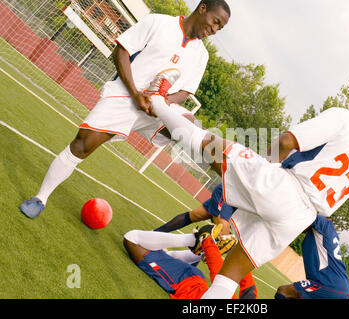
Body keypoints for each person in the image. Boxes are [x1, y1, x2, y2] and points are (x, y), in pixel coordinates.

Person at [145, 70, 349, 298]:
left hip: (286, 190)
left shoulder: (345, 118)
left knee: (209, 143)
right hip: (300, 218)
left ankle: (156, 100)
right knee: (229, 275)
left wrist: (265, 166)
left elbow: (287, 141)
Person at [19, 0, 231, 218]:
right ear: (202, 8)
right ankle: (40, 198)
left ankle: (231, 181)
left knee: (192, 127)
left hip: (158, 109)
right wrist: (136, 93)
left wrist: (163, 103)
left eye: (220, 28)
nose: (214, 30)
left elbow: (185, 92)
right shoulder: (158, 22)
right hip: (125, 96)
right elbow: (121, 51)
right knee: (82, 144)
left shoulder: (201, 55)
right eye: (215, 22)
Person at [123, 224, 257, 299]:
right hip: (188, 282)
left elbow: (222, 276)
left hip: (184, 283)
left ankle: (195, 241)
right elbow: (247, 288)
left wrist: (207, 242)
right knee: (137, 241)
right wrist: (234, 252)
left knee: (131, 238)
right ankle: (198, 247)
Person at [275, 215, 349, 299]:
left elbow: (302, 214)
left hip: (329, 285)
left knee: (283, 291)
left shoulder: (320, 222)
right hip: (341, 289)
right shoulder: (327, 229)